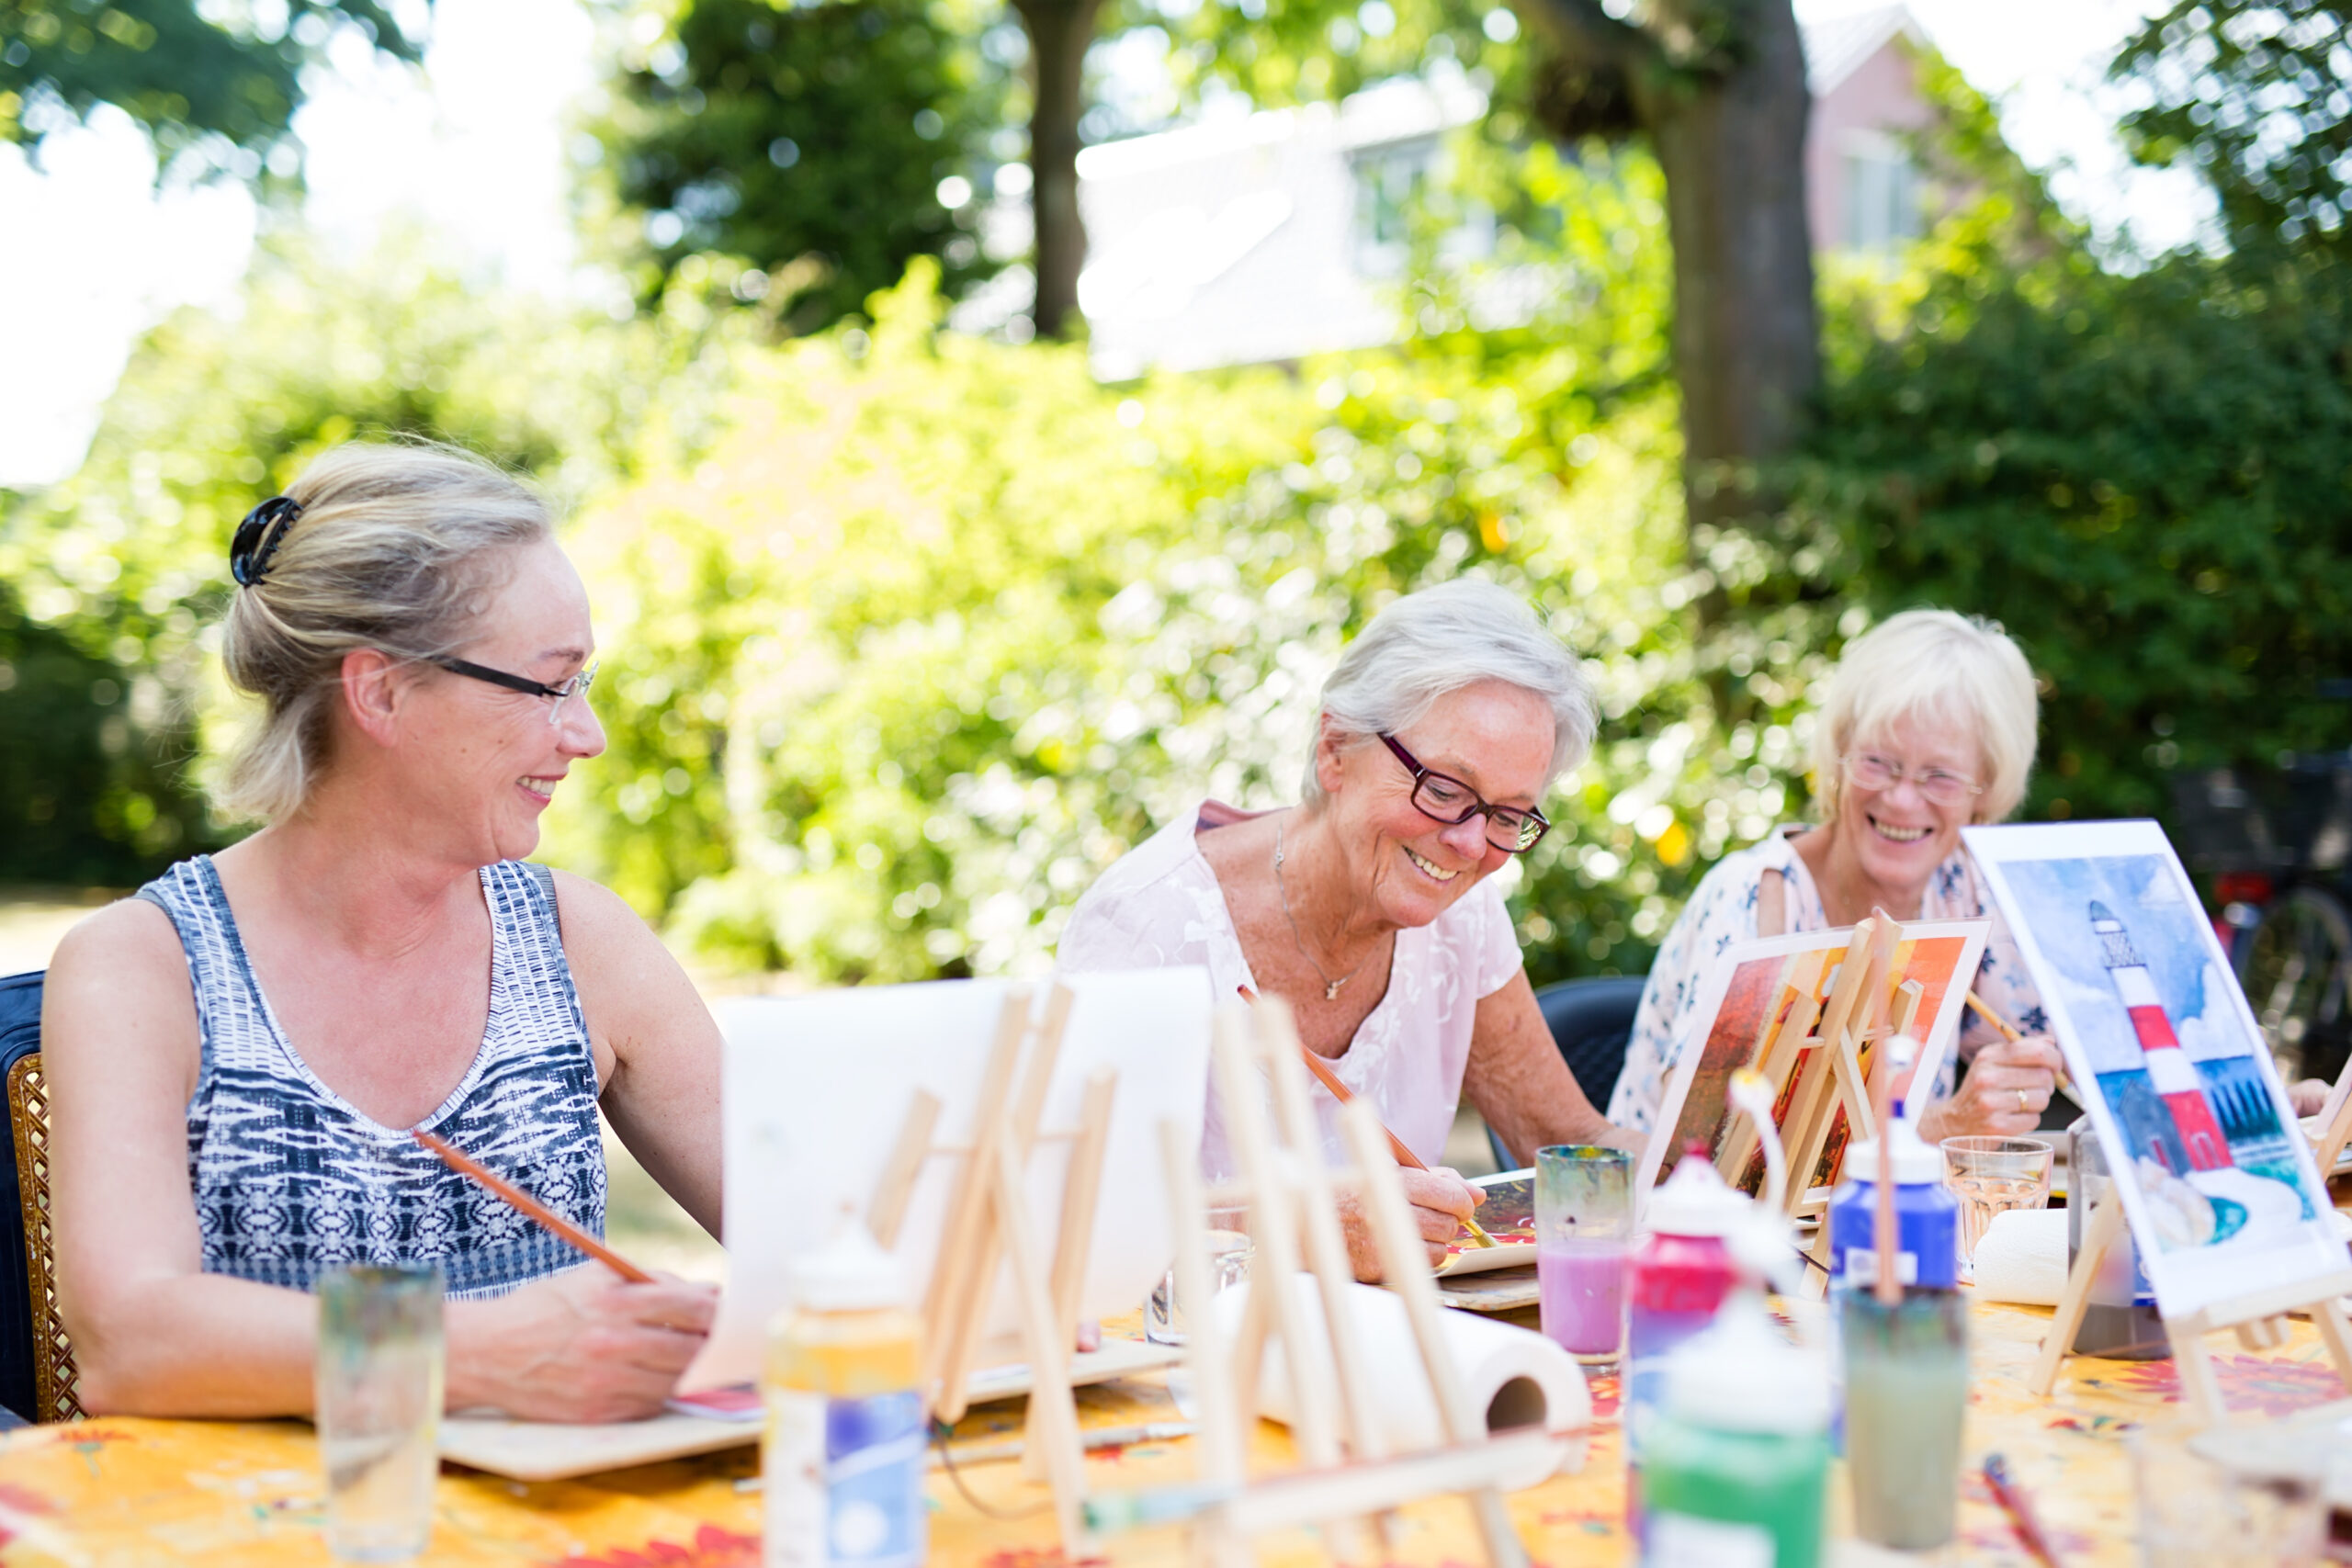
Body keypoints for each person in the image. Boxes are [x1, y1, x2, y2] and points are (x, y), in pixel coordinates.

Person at [46, 443, 722, 1422]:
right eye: (552, 684)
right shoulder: (141, 968)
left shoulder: (581, 941)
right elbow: (129, 1341)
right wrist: (483, 1353)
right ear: (382, 691)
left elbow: (820, 1235)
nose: (587, 734)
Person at [1057, 580, 1637, 1280]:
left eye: (1510, 815)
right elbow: (1075, 1230)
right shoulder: (1146, 927)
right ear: (1335, 749)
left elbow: (1570, 1142)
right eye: (1445, 789)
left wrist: (1734, 1167)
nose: (1470, 842)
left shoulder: (1462, 913)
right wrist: (1302, 1233)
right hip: (1197, 1374)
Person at [1608, 609, 2070, 1143]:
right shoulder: (1757, 899)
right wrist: (1940, 1126)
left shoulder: (1964, 890)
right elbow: (1707, 1141)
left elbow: (2070, 1053)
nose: (1900, 799)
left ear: (1985, 792)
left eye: (1939, 776)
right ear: (1839, 758)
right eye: (1878, 762)